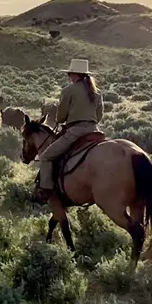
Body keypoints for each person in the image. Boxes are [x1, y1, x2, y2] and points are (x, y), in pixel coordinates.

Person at [34, 58, 104, 203]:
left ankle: (46, 191)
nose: (69, 77)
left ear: (74, 74)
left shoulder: (68, 90)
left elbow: (60, 116)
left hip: (75, 132)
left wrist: (62, 120)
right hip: (94, 131)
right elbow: (99, 116)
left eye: (69, 74)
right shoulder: (96, 93)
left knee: (46, 157)